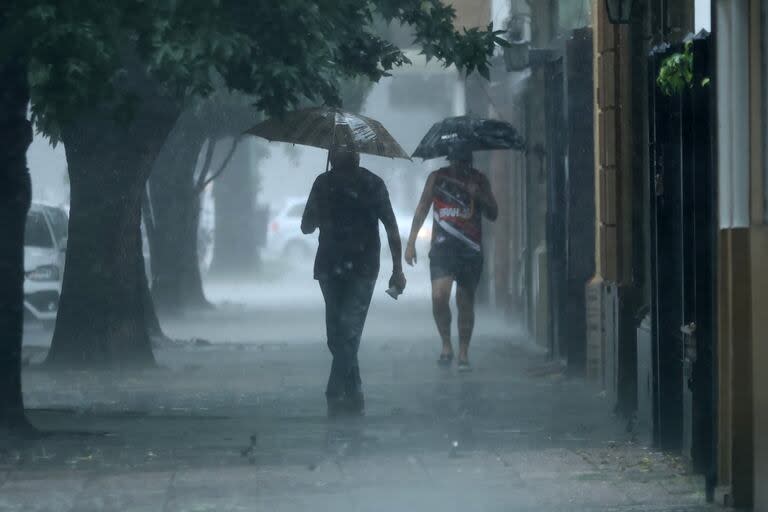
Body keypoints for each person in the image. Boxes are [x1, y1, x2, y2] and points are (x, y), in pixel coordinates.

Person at [301, 146, 406, 417]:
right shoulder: (328, 184)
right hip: (343, 267)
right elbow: (306, 225)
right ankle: (355, 387)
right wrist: (322, 207)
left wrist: (397, 269)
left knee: (344, 331)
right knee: (339, 334)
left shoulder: (360, 184)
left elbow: (391, 225)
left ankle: (335, 389)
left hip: (354, 268)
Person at [405, 148, 497, 371]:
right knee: (439, 297)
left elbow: (493, 213)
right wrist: (411, 242)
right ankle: (446, 344)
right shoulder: (437, 178)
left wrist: (479, 196)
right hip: (442, 249)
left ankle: (463, 351)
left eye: (465, 160)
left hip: (470, 250)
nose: (460, 164)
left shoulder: (480, 180)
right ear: (450, 159)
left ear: (470, 160)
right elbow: (422, 208)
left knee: (465, 302)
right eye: (457, 160)